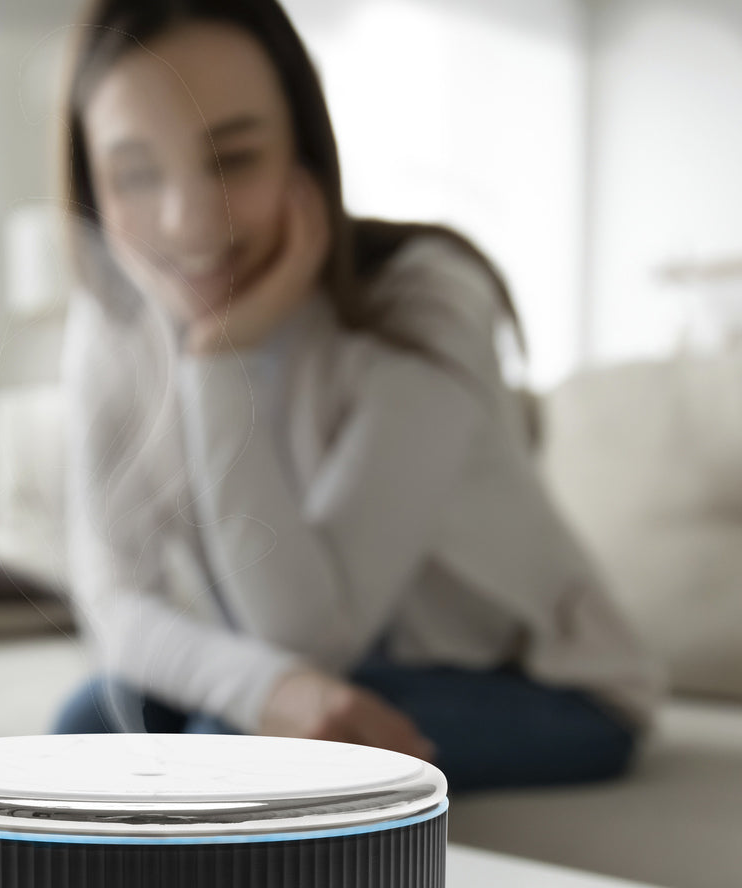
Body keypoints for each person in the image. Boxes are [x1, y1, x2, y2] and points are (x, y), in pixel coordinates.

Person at [49, 0, 662, 791]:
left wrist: (216, 360)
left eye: (233, 159)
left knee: (229, 745)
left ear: (303, 151)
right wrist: (270, 686)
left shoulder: (428, 302)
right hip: (339, 660)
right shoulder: (112, 322)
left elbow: (307, 636)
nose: (187, 222)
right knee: (88, 728)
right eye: (134, 174)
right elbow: (114, 599)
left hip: (551, 687)